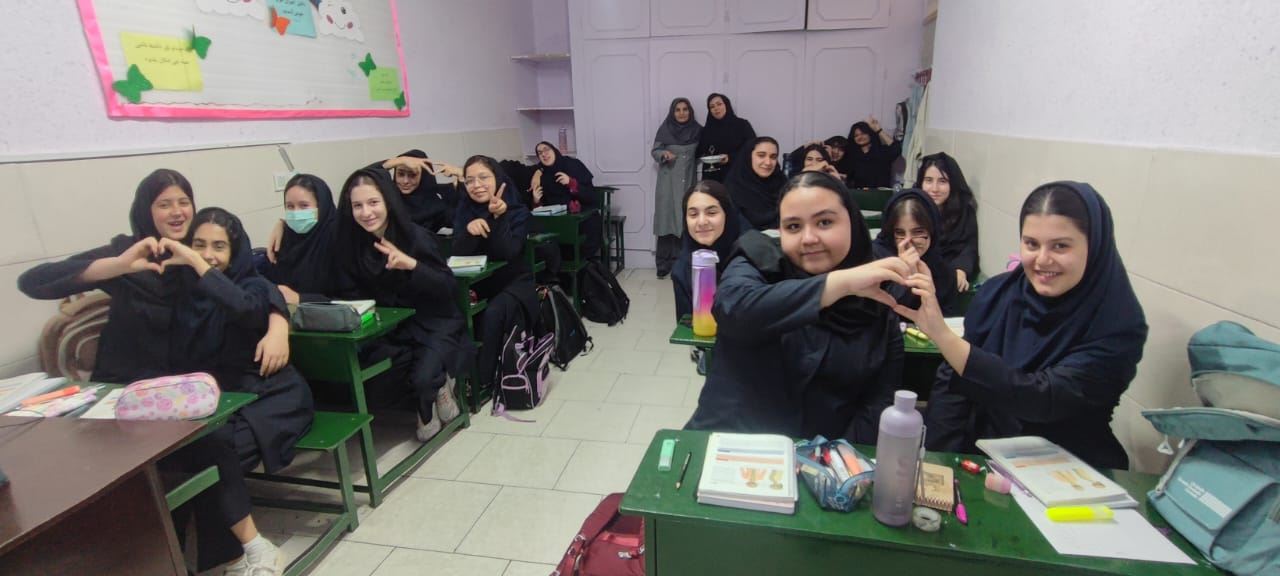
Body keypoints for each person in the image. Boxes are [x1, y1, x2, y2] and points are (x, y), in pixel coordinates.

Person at [16, 169, 290, 574]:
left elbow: (252, 288)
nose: (177, 212)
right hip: (120, 392)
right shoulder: (127, 252)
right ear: (146, 210)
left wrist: (278, 322)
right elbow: (33, 281)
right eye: (164, 204)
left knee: (211, 444)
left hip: (175, 395)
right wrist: (117, 266)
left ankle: (234, 553)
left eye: (184, 202)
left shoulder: (194, 254)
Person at [896, 182, 1147, 471]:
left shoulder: (1117, 324)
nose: (1042, 260)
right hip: (983, 458)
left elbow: (1043, 398)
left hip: (1069, 469)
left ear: (1095, 245)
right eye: (1031, 244)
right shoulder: (998, 294)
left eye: (1061, 246)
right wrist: (941, 460)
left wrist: (942, 336)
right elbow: (953, 383)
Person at [686, 172, 909, 442]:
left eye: (825, 222)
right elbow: (734, 310)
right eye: (793, 226)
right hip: (732, 445)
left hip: (830, 456)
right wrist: (839, 284)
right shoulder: (758, 260)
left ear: (852, 221)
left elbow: (878, 403)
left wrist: (829, 455)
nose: (808, 238)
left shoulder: (877, 304)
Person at [165, 207, 316, 575]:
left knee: (212, 458)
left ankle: (240, 554)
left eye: (219, 246)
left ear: (235, 251)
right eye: (198, 245)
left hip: (271, 397)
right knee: (188, 455)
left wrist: (197, 264)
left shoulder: (253, 286)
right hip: (220, 403)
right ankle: (202, 556)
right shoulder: (185, 295)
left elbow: (244, 309)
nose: (208, 255)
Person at [332, 165, 471, 441]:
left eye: (373, 202)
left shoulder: (414, 236)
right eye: (357, 206)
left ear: (388, 201)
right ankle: (433, 387)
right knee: (378, 381)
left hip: (433, 321)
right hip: (391, 327)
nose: (366, 213)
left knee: (423, 380)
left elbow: (447, 287)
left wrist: (412, 265)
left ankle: (436, 387)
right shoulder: (352, 243)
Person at [452, 156, 538, 398]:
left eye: (483, 178)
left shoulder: (518, 211)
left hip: (513, 283)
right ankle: (455, 377)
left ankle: (483, 380)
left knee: (493, 313)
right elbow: (458, 253)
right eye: (469, 180)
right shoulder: (464, 210)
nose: (476, 185)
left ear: (498, 179)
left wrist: (499, 218)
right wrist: (468, 232)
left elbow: (508, 252)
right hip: (477, 284)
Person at [871, 189, 960, 315]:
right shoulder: (875, 261)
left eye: (918, 232)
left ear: (932, 231)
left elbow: (946, 319)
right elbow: (879, 313)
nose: (908, 241)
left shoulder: (943, 271)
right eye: (900, 233)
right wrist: (905, 275)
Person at [671, 180, 747, 321]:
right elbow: (689, 326)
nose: (702, 222)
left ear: (727, 214)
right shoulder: (683, 269)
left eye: (711, 213)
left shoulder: (749, 255)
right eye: (693, 214)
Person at [262, 173, 337, 304]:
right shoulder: (285, 239)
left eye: (304, 205)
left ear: (322, 206)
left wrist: (300, 298)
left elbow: (352, 299)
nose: (296, 213)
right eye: (290, 206)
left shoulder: (338, 238)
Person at [652, 97, 702, 278]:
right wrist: (664, 154)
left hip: (688, 183)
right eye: (677, 110)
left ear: (690, 111)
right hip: (668, 184)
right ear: (672, 112)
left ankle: (682, 262)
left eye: (685, 109)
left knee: (685, 222)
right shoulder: (665, 129)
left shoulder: (697, 130)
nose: (681, 113)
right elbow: (655, 151)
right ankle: (663, 263)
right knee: (666, 222)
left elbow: (705, 150)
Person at [916, 152, 980, 292]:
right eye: (928, 180)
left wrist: (961, 270)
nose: (934, 189)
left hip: (948, 274)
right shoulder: (912, 207)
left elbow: (969, 247)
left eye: (942, 181)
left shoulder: (964, 212)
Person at [530, 141, 602, 260]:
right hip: (558, 223)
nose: (544, 154)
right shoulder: (543, 175)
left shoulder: (572, 165)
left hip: (582, 217)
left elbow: (592, 197)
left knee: (588, 227)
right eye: (540, 153)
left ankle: (584, 264)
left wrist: (571, 183)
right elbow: (544, 207)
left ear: (554, 150)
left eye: (546, 149)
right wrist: (536, 201)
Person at [724, 137, 786, 231]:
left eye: (773, 157)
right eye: (761, 155)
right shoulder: (733, 188)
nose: (768, 162)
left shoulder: (782, 182)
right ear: (748, 157)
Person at [695, 93, 756, 183]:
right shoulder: (707, 129)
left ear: (726, 105)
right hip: (711, 177)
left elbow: (752, 149)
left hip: (735, 176)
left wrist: (730, 158)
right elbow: (700, 151)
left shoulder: (742, 125)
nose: (716, 108)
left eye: (719, 104)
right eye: (712, 107)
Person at [845, 117, 902, 188]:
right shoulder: (852, 156)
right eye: (856, 135)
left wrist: (878, 130)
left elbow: (896, 149)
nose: (860, 137)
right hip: (860, 193)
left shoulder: (881, 151)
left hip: (881, 192)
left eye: (863, 133)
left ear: (870, 134)